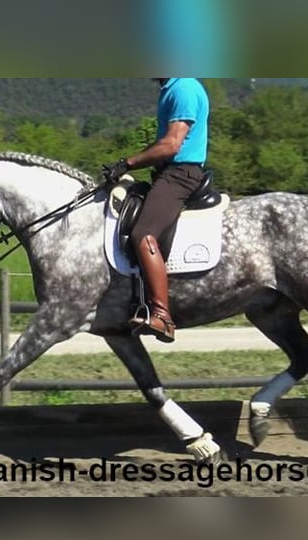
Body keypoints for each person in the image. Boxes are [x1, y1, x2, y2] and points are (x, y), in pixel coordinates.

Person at [103, 78, 210, 343]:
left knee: (144, 234)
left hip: (181, 174)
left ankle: (162, 315)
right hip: (168, 173)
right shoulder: (171, 88)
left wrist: (127, 163)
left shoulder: (183, 88)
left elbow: (171, 145)